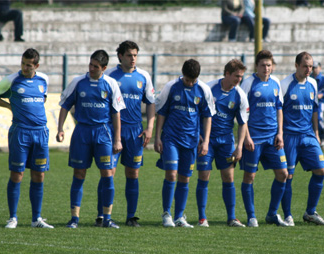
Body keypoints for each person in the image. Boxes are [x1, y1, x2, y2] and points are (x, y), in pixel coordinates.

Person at [56, 50, 125, 229]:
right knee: (79, 174)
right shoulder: (78, 82)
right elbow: (65, 105)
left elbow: (116, 113)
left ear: (104, 68)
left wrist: (117, 139)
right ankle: (74, 218)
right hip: (82, 133)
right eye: (90, 65)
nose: (92, 68)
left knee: (107, 174)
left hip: (103, 133)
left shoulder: (111, 84)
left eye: (96, 66)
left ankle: (107, 218)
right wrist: (60, 128)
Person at [0, 48, 53, 228]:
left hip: (40, 133)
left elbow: (42, 99)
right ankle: (12, 218)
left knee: (39, 175)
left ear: (36, 66)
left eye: (28, 65)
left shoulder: (44, 80)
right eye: (23, 63)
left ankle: (36, 219)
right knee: (17, 174)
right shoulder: (12, 80)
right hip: (20, 132)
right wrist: (9, 106)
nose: (24, 67)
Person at [96, 40, 156, 227]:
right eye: (129, 55)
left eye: (135, 55)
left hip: (135, 131)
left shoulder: (144, 76)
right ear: (120, 56)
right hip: (113, 131)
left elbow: (151, 103)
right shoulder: (111, 76)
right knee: (109, 172)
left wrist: (150, 128)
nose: (133, 59)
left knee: (133, 172)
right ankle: (102, 216)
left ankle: (131, 217)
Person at [155, 59, 215, 228]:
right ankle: (167, 213)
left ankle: (179, 217)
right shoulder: (171, 87)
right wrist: (157, 137)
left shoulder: (203, 90)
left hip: (191, 141)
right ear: (182, 74)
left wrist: (206, 142)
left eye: (193, 80)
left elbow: (207, 116)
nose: (190, 83)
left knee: (185, 178)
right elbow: (161, 113)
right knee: (171, 175)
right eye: (187, 80)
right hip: (171, 138)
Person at [196, 59, 249, 228]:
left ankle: (232, 217)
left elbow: (242, 123)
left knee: (229, 177)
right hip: (207, 141)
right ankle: (202, 218)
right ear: (227, 74)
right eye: (236, 76)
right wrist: (199, 136)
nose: (238, 80)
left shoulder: (240, 95)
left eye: (241, 77)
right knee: (204, 175)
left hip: (226, 142)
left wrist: (239, 146)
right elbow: (197, 114)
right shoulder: (208, 88)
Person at [240, 49, 289, 227]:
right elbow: (242, 114)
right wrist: (247, 137)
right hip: (254, 139)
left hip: (273, 139)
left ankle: (272, 214)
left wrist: (280, 134)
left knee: (283, 174)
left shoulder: (276, 83)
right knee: (249, 177)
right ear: (256, 66)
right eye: (263, 65)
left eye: (269, 65)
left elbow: (279, 109)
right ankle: (251, 216)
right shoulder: (248, 83)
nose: (266, 68)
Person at [280, 52, 324, 226]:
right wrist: (279, 135)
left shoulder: (314, 83)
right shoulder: (285, 84)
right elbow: (279, 111)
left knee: (321, 171)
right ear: (296, 65)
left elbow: (315, 110)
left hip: (308, 135)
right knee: (287, 176)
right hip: (289, 136)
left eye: (311, 66)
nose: (309, 70)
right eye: (305, 66)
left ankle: (310, 212)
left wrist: (316, 132)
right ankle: (287, 215)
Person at [311, 61, 324, 146]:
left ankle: (322, 137)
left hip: (320, 103)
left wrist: (322, 95)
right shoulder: (310, 78)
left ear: (320, 68)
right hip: (311, 103)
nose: (314, 70)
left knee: (319, 119)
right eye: (313, 68)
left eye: (316, 68)